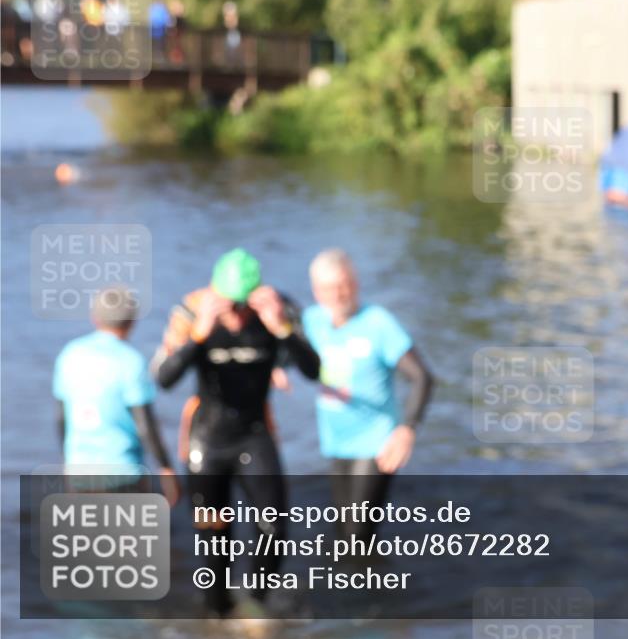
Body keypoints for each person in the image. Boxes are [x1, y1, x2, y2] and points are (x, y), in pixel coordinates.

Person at [150, 248, 319, 618]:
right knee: (214, 539)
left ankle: (256, 604)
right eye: (231, 306)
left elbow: (313, 369)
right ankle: (219, 613)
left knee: (274, 526)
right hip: (206, 440)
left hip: (254, 434)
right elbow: (163, 378)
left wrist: (281, 330)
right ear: (215, 292)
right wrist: (198, 336)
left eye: (244, 306)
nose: (238, 316)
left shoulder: (277, 308)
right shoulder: (192, 312)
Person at [303, 249, 433, 541]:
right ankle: (354, 584)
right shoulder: (312, 322)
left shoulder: (378, 323)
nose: (338, 295)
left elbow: (423, 378)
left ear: (356, 282)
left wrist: (406, 430)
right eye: (328, 288)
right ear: (316, 291)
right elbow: (290, 355)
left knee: (357, 536)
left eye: (343, 284)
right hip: (335, 441)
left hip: (376, 442)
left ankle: (375, 584)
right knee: (341, 534)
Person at [53, 286, 179, 504]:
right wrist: (166, 469)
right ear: (132, 322)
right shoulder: (131, 362)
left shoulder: (70, 354)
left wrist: (66, 461)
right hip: (123, 471)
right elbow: (145, 424)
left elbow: (62, 418)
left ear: (95, 318)